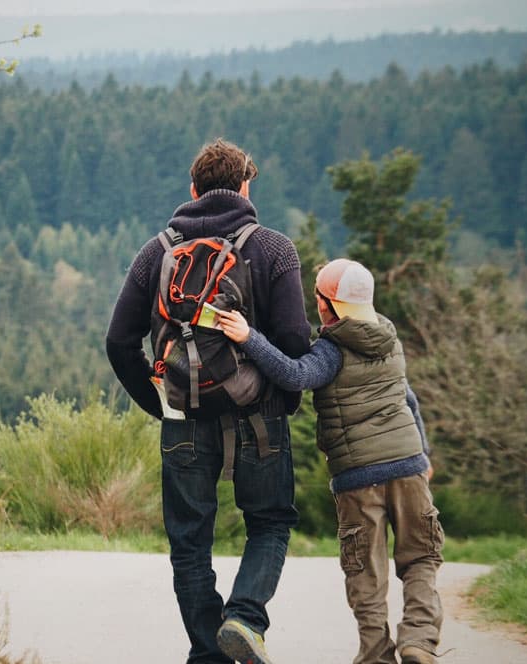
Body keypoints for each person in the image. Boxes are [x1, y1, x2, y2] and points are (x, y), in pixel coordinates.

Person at [106, 138, 312, 664]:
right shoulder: (274, 248)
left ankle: (207, 652)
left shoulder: (156, 252)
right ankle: (244, 618)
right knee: (268, 521)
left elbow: (119, 342)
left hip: (183, 415)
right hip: (258, 413)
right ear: (245, 186)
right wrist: (281, 399)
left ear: (192, 190)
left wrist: (161, 403)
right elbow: (293, 341)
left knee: (189, 540)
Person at [218, 258, 444, 664]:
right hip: (409, 466)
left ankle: (376, 654)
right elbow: (409, 400)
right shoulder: (390, 339)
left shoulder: (331, 350)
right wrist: (423, 453)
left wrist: (249, 337)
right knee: (422, 557)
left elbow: (294, 375)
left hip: (359, 476)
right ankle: (419, 641)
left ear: (328, 305)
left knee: (366, 573)